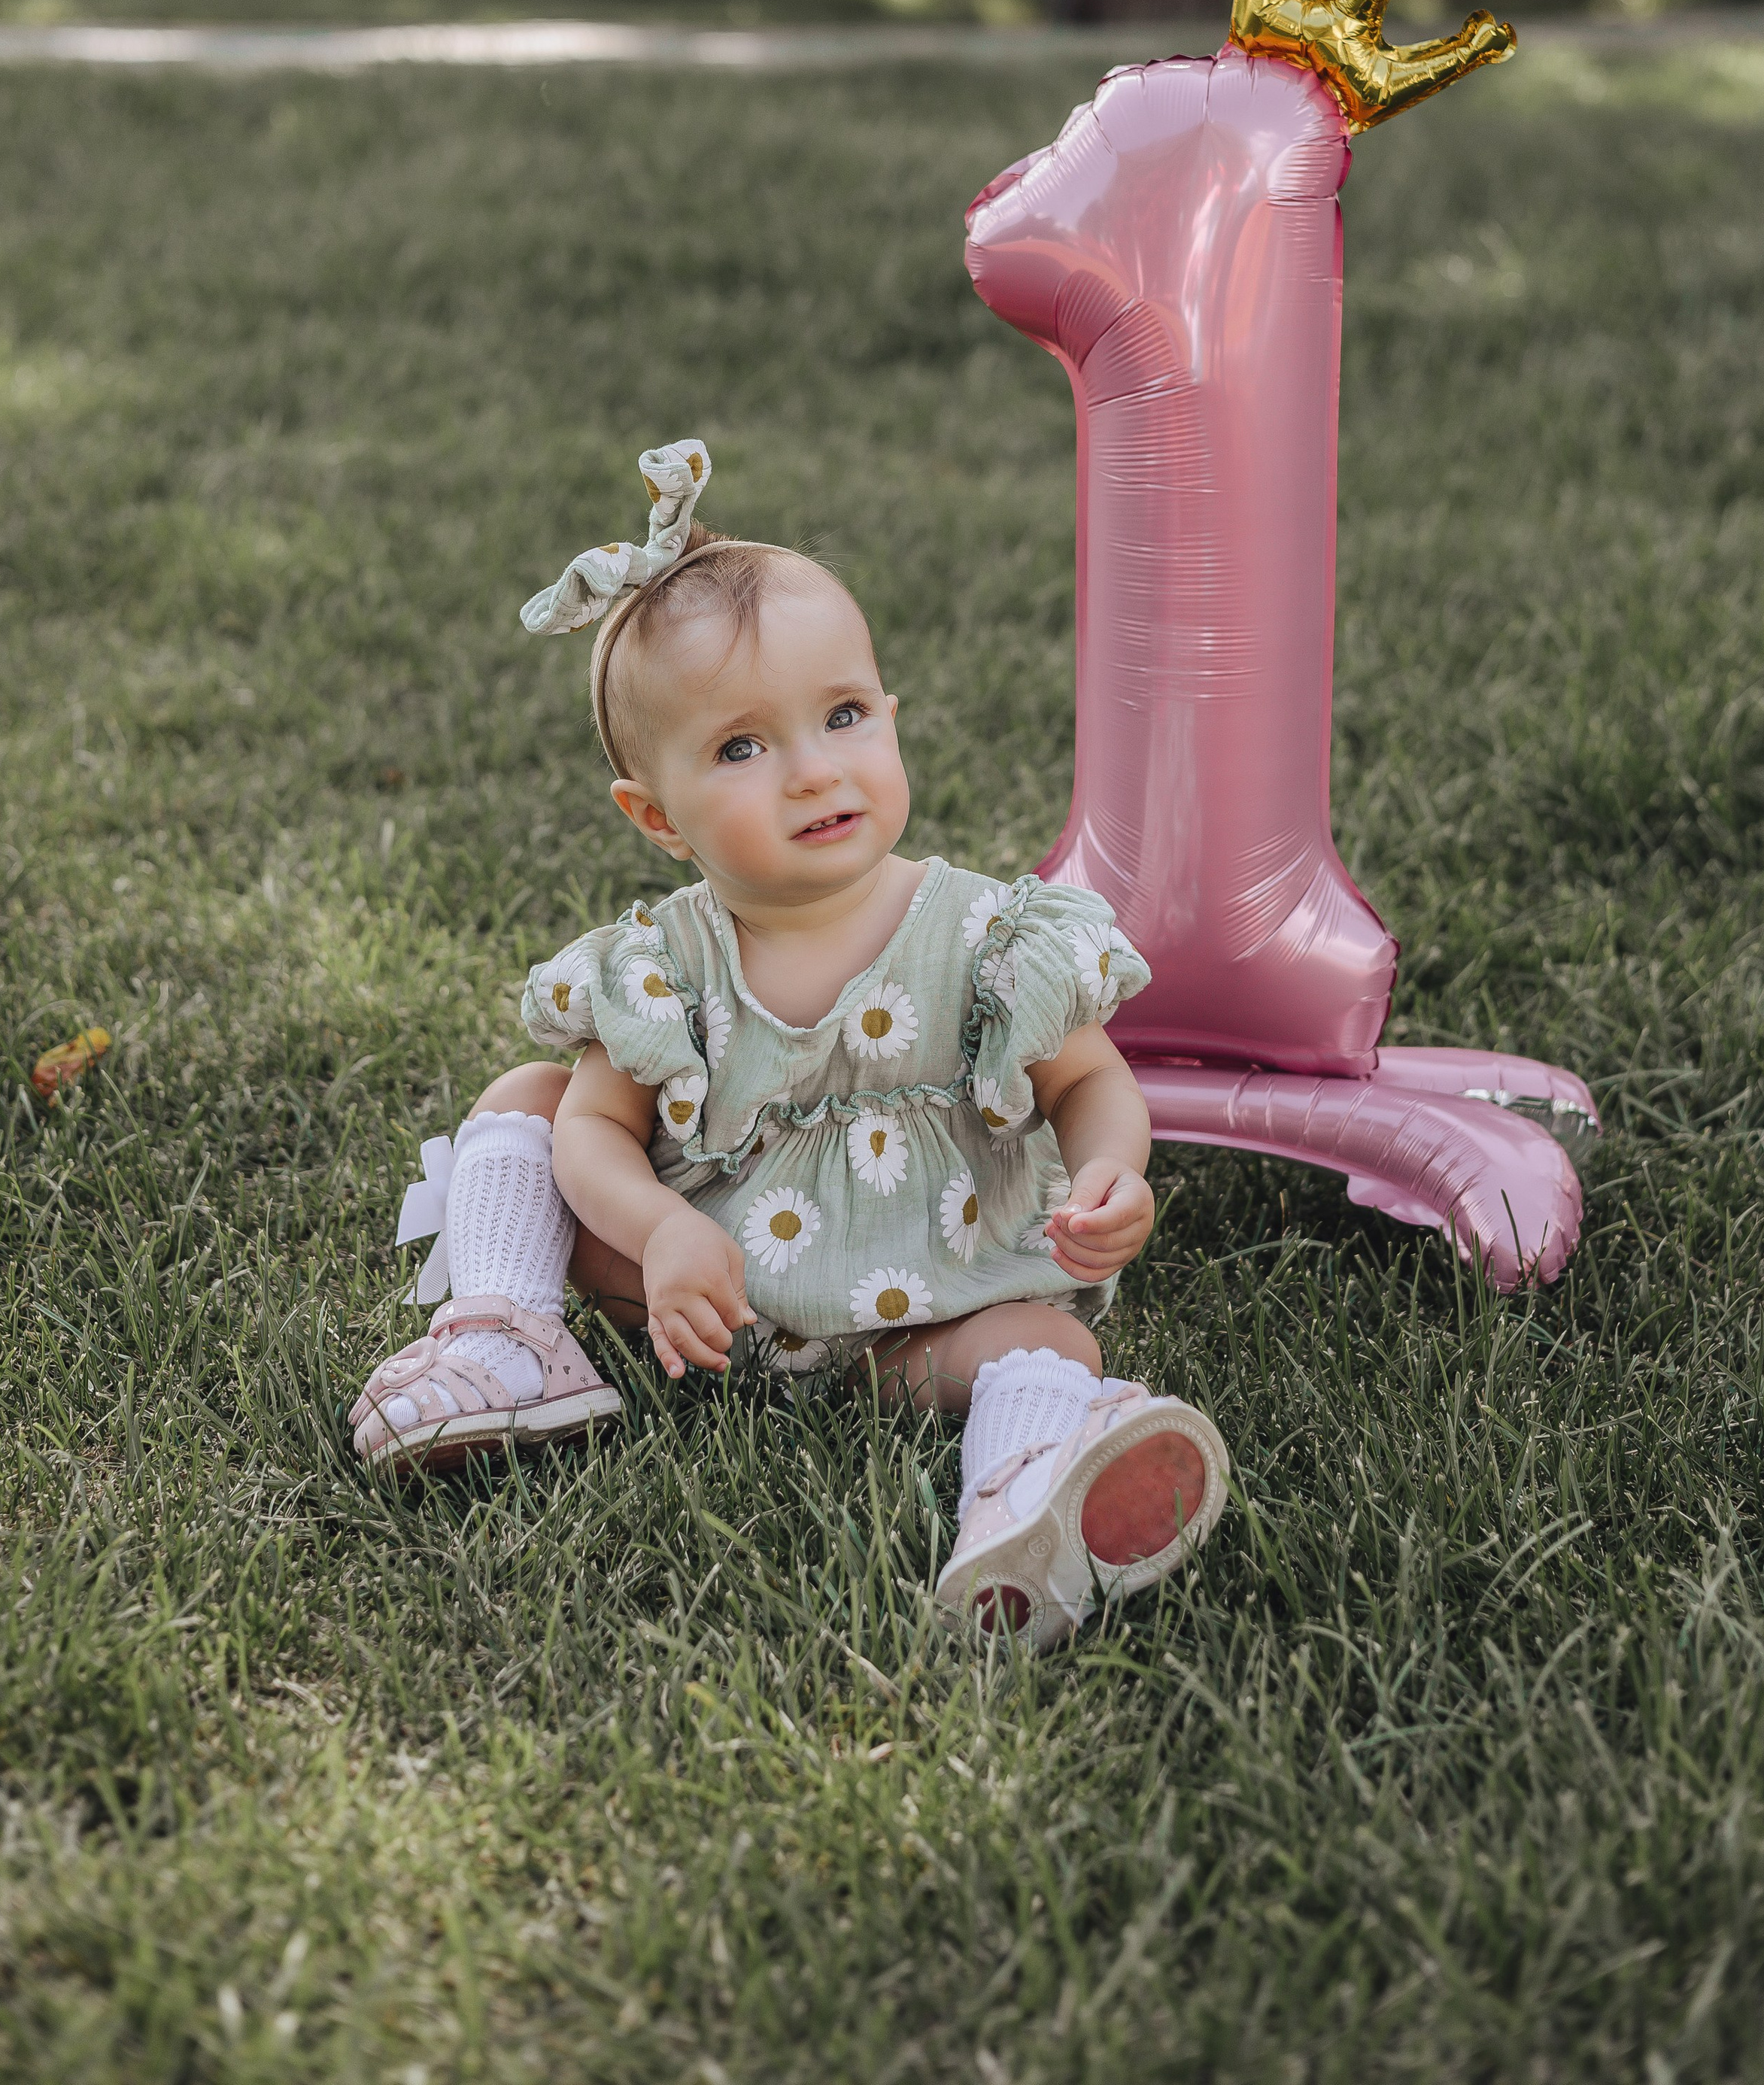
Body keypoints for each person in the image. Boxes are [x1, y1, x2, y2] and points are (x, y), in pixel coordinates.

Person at [350, 440, 1228, 1647]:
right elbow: (595, 1130)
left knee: (1047, 1335)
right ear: (656, 816)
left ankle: (1023, 1493)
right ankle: (511, 1340)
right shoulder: (666, 964)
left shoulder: (984, 934)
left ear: (891, 716)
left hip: (915, 1314)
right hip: (707, 1311)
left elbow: (1089, 1080)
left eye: (846, 716)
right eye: (742, 748)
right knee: (531, 1090)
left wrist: (1112, 1167)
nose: (816, 770)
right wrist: (660, 1232)